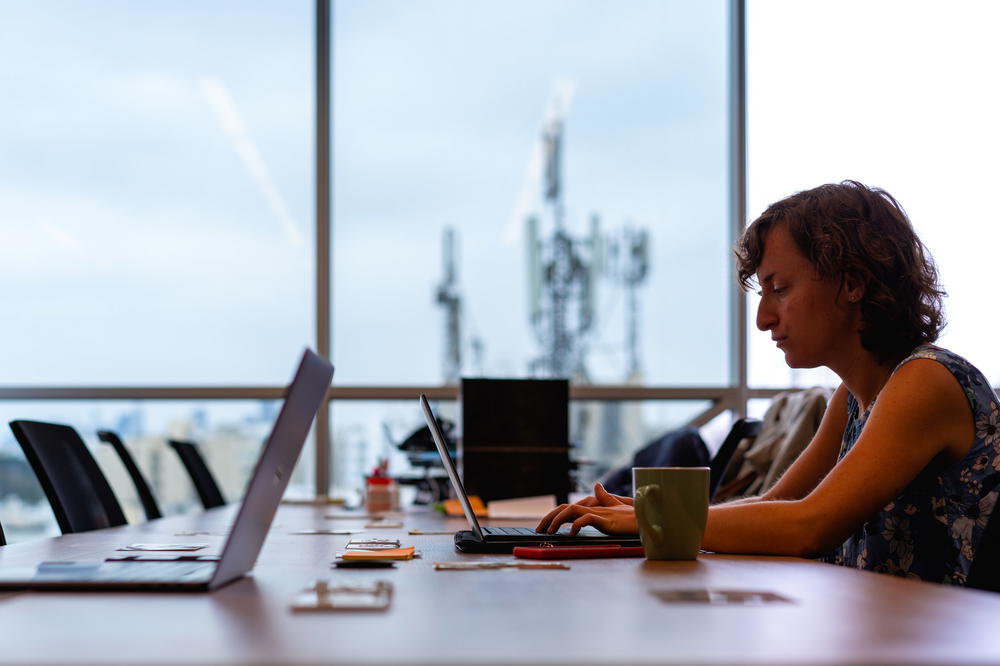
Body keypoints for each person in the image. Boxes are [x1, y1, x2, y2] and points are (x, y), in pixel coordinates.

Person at [537, 180, 1000, 585]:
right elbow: (779, 502)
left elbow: (807, 526)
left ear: (853, 283)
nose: (762, 319)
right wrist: (644, 516)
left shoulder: (925, 380)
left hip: (945, 645)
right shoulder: (856, 396)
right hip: (894, 635)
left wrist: (651, 519)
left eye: (779, 288)